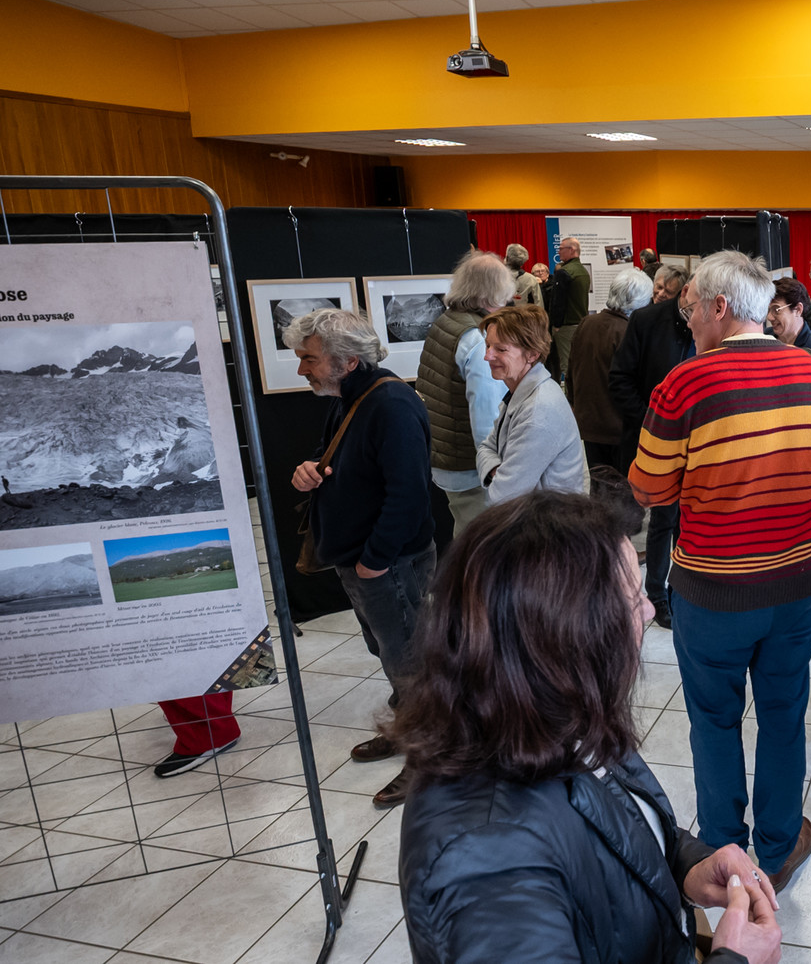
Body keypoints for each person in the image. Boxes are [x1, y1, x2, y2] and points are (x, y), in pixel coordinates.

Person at [394, 491, 783, 964]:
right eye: (632, 598)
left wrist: (689, 863)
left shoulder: (549, 712)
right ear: (568, 638)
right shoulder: (485, 863)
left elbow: (613, 826)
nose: (646, 611)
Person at [630, 251, 811, 894]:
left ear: (717, 308)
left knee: (713, 719)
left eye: (689, 312)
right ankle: (776, 846)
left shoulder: (684, 385)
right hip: (798, 584)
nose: (686, 325)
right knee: (784, 713)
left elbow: (649, 490)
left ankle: (722, 851)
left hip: (711, 591)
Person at [286, 307, 434, 810]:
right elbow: (338, 459)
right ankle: (407, 729)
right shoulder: (351, 396)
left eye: (309, 359)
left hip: (387, 563)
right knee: (390, 654)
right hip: (365, 562)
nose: (302, 369)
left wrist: (375, 561)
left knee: (411, 662)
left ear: (347, 362)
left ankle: (429, 759)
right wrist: (310, 469)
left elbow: (410, 494)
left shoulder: (391, 405)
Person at [610, 277, 696, 628]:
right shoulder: (646, 321)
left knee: (687, 520)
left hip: (701, 441)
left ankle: (684, 589)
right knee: (662, 519)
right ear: (686, 290)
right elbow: (620, 379)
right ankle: (658, 594)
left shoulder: (715, 323)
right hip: (656, 438)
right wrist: (654, 420)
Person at [416, 250, 514, 534]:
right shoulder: (475, 338)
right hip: (470, 468)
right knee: (482, 544)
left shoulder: (448, 320)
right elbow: (485, 414)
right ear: (490, 295)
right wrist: (495, 471)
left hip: (448, 455)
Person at [477, 305, 586, 502]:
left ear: (532, 354)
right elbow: (485, 447)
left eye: (501, 349)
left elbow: (503, 495)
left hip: (547, 526)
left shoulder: (537, 413)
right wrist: (500, 471)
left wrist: (498, 472)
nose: (487, 356)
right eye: (488, 345)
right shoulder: (521, 392)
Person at [568, 268, 653, 471]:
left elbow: (572, 368)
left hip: (589, 423)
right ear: (640, 301)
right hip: (618, 428)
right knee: (622, 491)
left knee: (599, 487)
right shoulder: (628, 332)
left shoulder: (587, 323)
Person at [152, 693, 239, 778]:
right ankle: (220, 721)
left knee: (175, 682)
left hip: (205, 737)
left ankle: (210, 734)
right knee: (207, 682)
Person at [547, 235, 591, 378]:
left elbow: (558, 301)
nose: (558, 252)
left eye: (561, 249)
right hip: (580, 323)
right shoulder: (583, 271)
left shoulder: (564, 272)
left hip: (565, 326)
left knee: (566, 366)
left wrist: (556, 324)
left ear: (571, 250)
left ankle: (570, 398)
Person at [767, 276, 811, 357]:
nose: (769, 317)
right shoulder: (766, 337)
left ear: (798, 309)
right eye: (768, 310)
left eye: (776, 310)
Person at [505, 243, 543, 308]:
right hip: (524, 316)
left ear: (507, 258)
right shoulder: (531, 279)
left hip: (501, 316)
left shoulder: (496, 277)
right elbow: (539, 305)